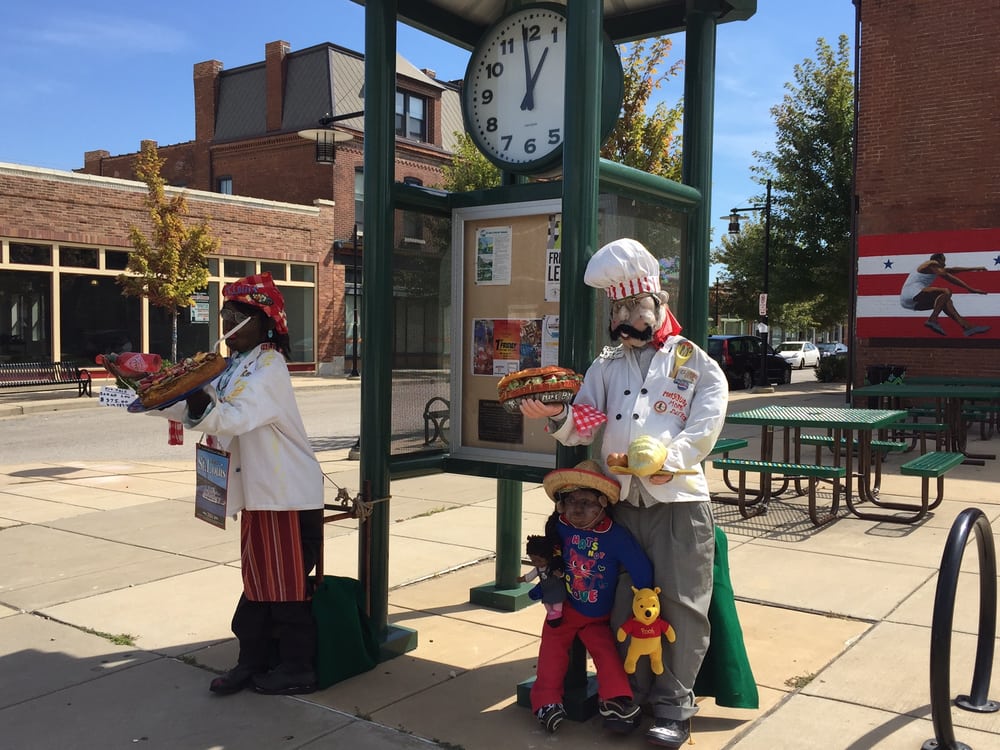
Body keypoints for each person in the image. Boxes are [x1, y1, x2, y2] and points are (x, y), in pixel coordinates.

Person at [520, 238, 728, 748]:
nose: (627, 317)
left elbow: (707, 420)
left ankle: (674, 705)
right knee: (617, 603)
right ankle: (624, 694)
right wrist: (556, 416)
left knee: (680, 605)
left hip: (678, 503)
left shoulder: (692, 361)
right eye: (619, 308)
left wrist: (671, 460)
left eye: (637, 306)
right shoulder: (607, 365)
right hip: (618, 506)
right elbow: (585, 419)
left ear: (659, 305)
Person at [152, 272, 325, 696]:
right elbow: (203, 404)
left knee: (284, 586)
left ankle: (297, 666)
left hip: (284, 495)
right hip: (261, 493)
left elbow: (232, 416)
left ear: (262, 322)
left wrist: (191, 393)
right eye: (224, 313)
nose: (225, 322)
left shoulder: (269, 366)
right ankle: (255, 659)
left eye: (235, 314)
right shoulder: (235, 364)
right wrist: (152, 393)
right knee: (259, 580)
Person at [531, 459, 653, 735]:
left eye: (586, 502)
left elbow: (640, 567)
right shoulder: (560, 527)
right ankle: (546, 700)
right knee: (551, 649)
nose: (577, 508)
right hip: (565, 608)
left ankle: (616, 701)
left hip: (598, 615)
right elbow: (549, 557)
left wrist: (645, 595)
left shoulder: (615, 535)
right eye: (571, 501)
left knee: (605, 651)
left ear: (602, 504)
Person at [898, 252, 990, 336]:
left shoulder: (931, 268)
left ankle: (967, 327)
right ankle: (932, 320)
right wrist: (970, 289)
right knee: (946, 291)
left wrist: (974, 268)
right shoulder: (932, 263)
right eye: (943, 261)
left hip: (908, 303)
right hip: (912, 292)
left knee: (946, 300)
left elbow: (952, 270)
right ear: (938, 260)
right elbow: (947, 276)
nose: (945, 264)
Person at [518, 534, 565, 627]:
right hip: (546, 591)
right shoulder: (537, 569)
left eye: (539, 561)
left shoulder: (552, 567)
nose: (536, 563)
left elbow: (562, 575)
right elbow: (530, 576)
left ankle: (556, 615)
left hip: (556, 590)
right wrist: (521, 579)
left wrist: (560, 574)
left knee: (557, 602)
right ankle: (551, 613)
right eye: (533, 560)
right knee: (546, 602)